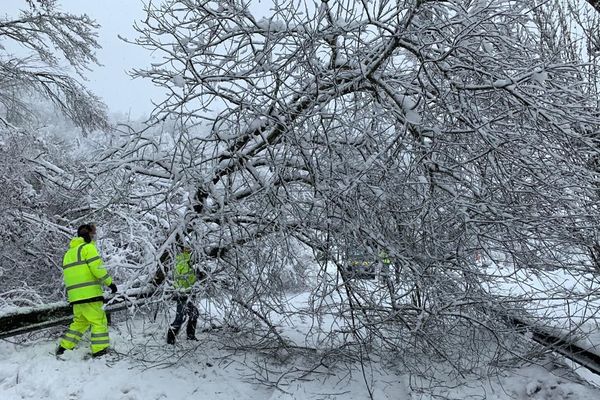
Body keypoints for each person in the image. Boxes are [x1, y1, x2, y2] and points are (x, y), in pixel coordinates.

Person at [56, 224, 117, 358]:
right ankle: (100, 350)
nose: (94, 236)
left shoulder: (69, 253)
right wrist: (110, 283)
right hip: (90, 294)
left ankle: (64, 347)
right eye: (93, 233)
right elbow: (98, 269)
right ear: (88, 234)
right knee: (99, 321)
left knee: (79, 323)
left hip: (75, 297)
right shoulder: (88, 248)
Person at [167, 246, 200, 344]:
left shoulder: (192, 260)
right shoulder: (180, 260)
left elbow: (192, 277)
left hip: (190, 293)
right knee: (179, 318)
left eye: (189, 247)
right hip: (182, 294)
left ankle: (191, 336)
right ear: (182, 249)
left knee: (194, 314)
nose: (188, 249)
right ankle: (170, 339)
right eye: (186, 247)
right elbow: (179, 277)